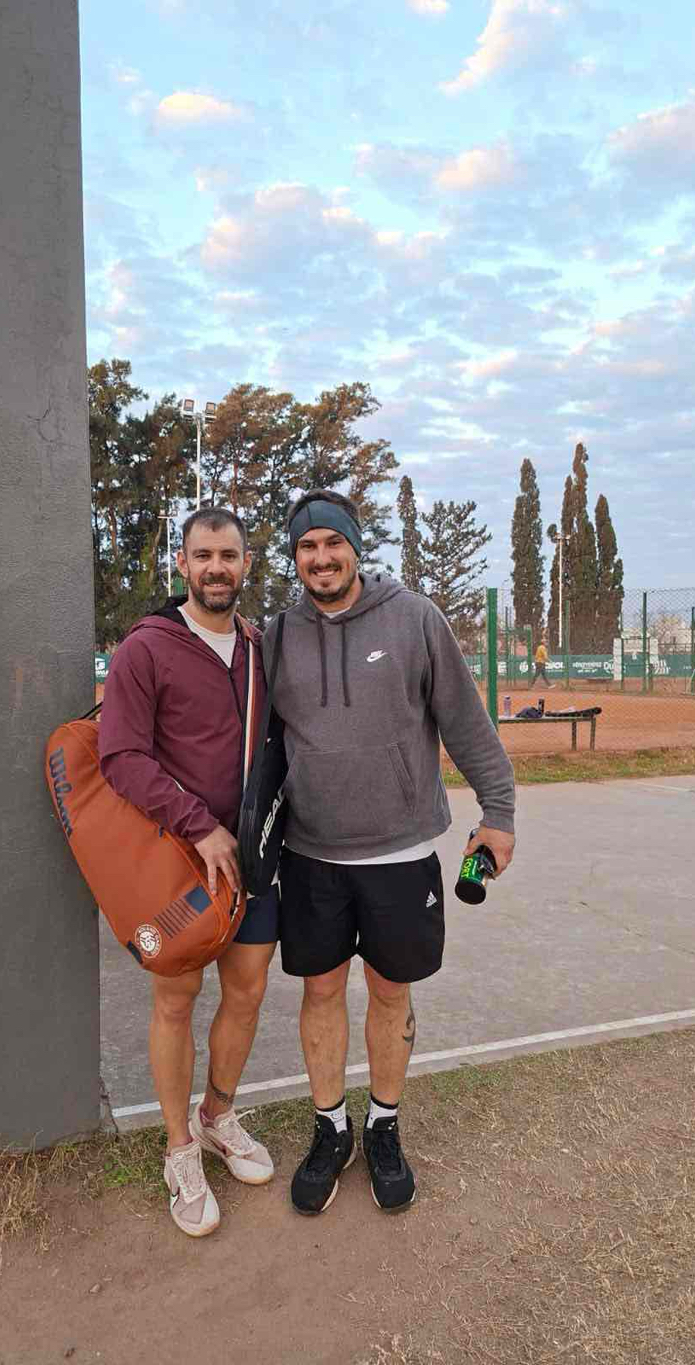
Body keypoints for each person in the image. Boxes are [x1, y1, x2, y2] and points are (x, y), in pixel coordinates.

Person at [265, 489, 516, 1216]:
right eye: (306, 547)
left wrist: (499, 812)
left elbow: (465, 721)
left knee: (389, 993)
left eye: (332, 543)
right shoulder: (277, 635)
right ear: (295, 558)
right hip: (310, 855)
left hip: (400, 855)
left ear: (354, 546)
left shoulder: (414, 618)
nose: (321, 558)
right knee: (319, 992)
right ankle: (330, 1128)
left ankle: (382, 1124)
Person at [99, 508, 279, 1238]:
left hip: (253, 860)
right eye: (202, 555)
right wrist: (197, 824)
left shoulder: (261, 647)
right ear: (181, 563)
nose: (216, 568)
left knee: (249, 990)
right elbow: (120, 756)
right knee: (176, 1001)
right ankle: (179, 1148)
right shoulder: (145, 647)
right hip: (179, 865)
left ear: (246, 564)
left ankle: (216, 1116)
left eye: (228, 555)